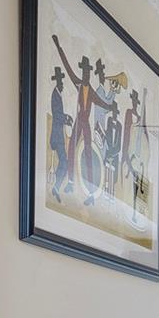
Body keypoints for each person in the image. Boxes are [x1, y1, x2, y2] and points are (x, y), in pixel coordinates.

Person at [50, 35, 116, 204]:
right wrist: (58, 46)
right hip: (79, 121)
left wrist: (111, 107)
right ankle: (71, 182)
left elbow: (101, 102)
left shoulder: (91, 90)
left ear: (89, 74)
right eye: (84, 71)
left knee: (87, 152)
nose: (85, 74)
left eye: (87, 72)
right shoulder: (79, 84)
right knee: (72, 147)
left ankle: (91, 192)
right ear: (82, 72)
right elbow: (67, 67)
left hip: (85, 123)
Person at [48, 66, 72, 196]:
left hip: (59, 136)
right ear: (58, 82)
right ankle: (56, 187)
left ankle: (56, 187)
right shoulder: (55, 95)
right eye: (61, 83)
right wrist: (66, 118)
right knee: (64, 161)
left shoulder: (58, 95)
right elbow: (57, 115)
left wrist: (66, 118)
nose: (63, 85)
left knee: (64, 162)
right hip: (56, 137)